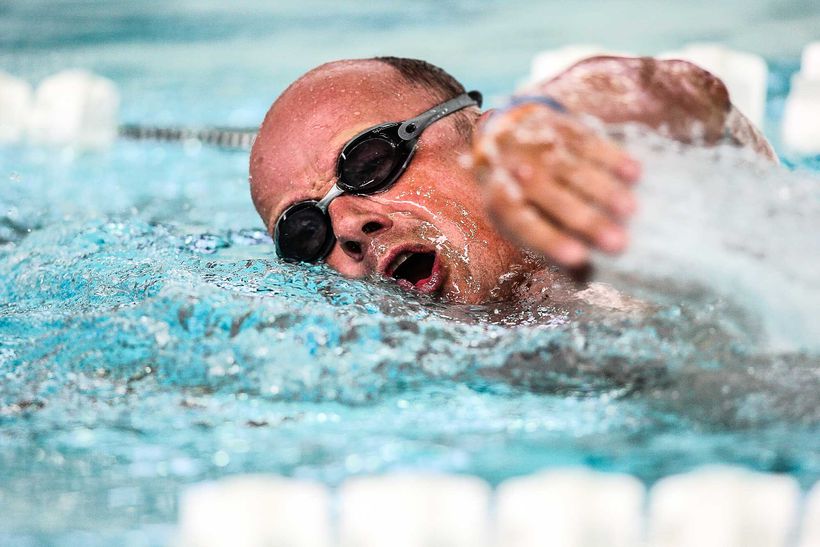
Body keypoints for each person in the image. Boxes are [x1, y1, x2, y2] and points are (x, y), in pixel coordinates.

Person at [249, 56, 775, 305]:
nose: (346, 225)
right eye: (304, 232)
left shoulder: (645, 248)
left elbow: (740, 177)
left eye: (367, 165)